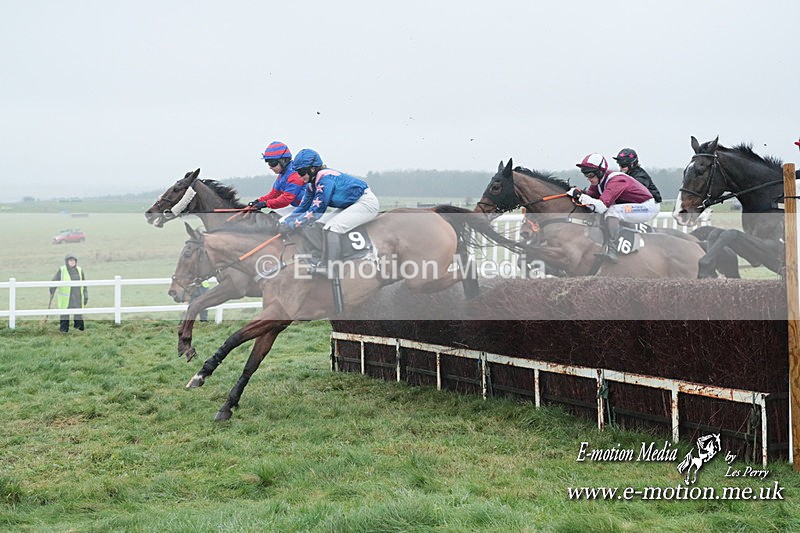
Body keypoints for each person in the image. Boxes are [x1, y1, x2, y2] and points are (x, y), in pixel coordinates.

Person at [280, 148, 380, 274]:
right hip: (351, 204)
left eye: (301, 172)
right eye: (297, 173)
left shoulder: (325, 180)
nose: (300, 176)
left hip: (365, 203)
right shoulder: (312, 184)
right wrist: (285, 221)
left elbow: (317, 211)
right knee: (316, 226)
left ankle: (330, 267)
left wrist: (293, 225)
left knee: (332, 228)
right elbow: (303, 208)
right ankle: (320, 255)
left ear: (312, 169)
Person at [568, 153, 658, 263]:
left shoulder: (616, 180)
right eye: (585, 174)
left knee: (612, 211)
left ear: (600, 172)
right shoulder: (599, 182)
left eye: (590, 174)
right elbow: (589, 199)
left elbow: (601, 207)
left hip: (646, 208)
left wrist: (581, 197)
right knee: (609, 210)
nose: (588, 178)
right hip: (633, 206)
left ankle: (613, 249)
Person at [247, 141, 306, 217]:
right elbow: (273, 194)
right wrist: (258, 201)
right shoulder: (282, 175)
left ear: (284, 160)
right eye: (268, 163)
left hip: (310, 209)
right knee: (273, 216)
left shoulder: (295, 175)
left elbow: (286, 199)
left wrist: (265, 204)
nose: (270, 167)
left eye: (272, 163)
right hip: (298, 207)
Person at [49, 253, 88, 332]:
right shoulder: (62, 270)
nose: (72, 262)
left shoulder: (80, 270)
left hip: (77, 297)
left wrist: (86, 294)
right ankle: (64, 332)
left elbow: (84, 283)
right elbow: (55, 280)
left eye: (73, 260)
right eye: (70, 260)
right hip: (66, 298)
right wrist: (52, 289)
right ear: (67, 261)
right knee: (64, 316)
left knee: (78, 315)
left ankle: (79, 331)